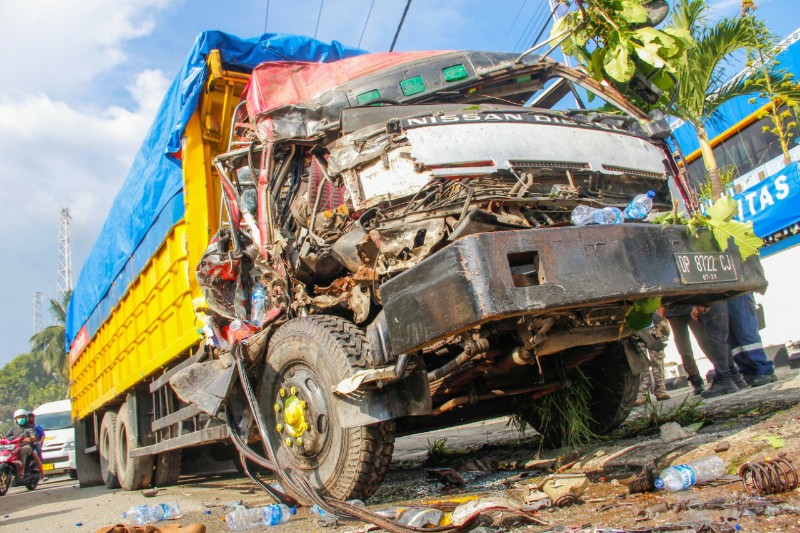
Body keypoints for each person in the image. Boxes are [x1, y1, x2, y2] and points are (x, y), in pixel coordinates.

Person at [692, 303, 749, 398]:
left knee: (714, 335)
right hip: (714, 296)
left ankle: (724, 380)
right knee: (719, 334)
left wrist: (701, 300)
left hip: (709, 296)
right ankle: (733, 376)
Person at [728, 293, 777, 387]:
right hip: (721, 296)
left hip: (738, 292)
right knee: (733, 339)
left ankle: (765, 371)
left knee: (746, 331)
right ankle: (749, 372)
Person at [663, 305, 706, 395]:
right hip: (672, 311)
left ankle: (722, 371)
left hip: (690, 306)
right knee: (683, 347)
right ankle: (695, 380)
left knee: (704, 341)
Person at [635, 313, 671, 405]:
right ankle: (642, 393)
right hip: (635, 330)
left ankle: (660, 390)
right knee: (640, 361)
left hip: (653, 328)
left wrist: (664, 336)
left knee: (657, 360)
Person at [2, 409, 39, 478]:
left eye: (22, 417)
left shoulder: (30, 427)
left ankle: (22, 472)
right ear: (15, 419)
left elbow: (34, 437)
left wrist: (29, 439)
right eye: (19, 418)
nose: (21, 419)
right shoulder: (13, 428)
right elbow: (5, 437)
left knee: (22, 451)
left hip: (27, 446)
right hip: (15, 446)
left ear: (26, 418)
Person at [27, 412, 46, 479]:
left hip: (35, 443)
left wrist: (40, 442)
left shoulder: (36, 427)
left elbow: (43, 435)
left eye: (32, 418)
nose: (32, 419)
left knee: (37, 450)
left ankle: (40, 463)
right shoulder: (23, 427)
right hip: (26, 444)